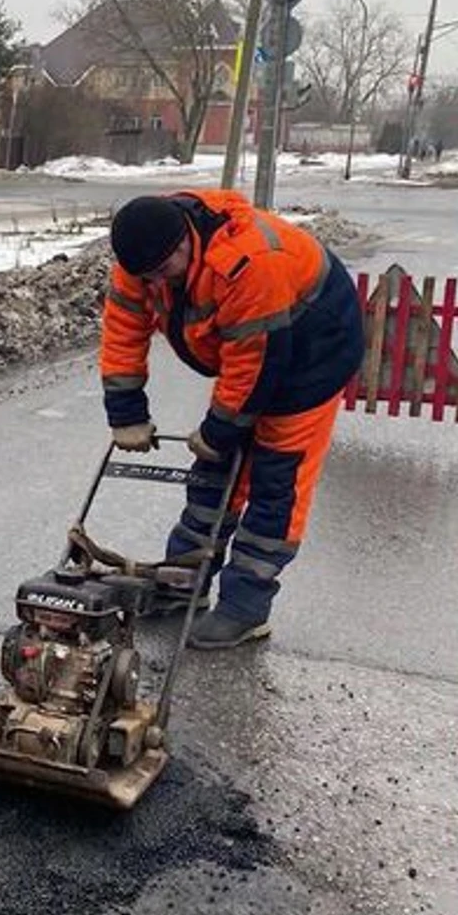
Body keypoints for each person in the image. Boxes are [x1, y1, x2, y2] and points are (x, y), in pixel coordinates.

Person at [100, 191, 366, 647]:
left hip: (314, 354)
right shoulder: (140, 258)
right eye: (149, 276)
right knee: (213, 474)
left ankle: (246, 607)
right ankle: (182, 582)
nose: (159, 281)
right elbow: (123, 331)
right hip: (252, 348)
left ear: (186, 237)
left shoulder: (248, 261)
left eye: (166, 270)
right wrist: (126, 413)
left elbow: (255, 364)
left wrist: (220, 429)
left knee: (275, 483)